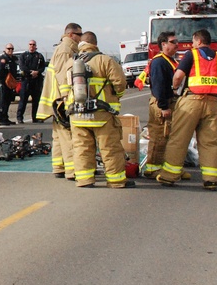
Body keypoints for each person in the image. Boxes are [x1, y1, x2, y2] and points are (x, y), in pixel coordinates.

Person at [156, 29, 217, 190]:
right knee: (210, 142)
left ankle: (169, 176)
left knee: (179, 138)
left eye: (193, 42)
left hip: (192, 101)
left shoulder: (192, 55)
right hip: (214, 104)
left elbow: (178, 76)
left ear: (198, 41)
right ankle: (211, 178)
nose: (192, 44)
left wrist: (175, 89)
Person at [62, 31, 131, 188]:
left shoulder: (70, 63)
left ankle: (85, 180)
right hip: (101, 114)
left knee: (81, 149)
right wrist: (114, 97)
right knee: (110, 148)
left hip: (77, 115)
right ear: (95, 44)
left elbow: (64, 89)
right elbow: (120, 84)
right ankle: (116, 181)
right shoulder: (105, 60)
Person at [140, 31, 189, 180]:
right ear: (163, 44)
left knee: (170, 138)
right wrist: (163, 107)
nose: (177, 45)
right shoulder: (159, 61)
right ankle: (152, 169)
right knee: (159, 137)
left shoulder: (171, 61)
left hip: (171, 103)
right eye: (173, 42)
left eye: (177, 42)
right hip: (162, 104)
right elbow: (160, 86)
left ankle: (169, 168)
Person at [36, 23, 82, 179]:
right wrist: (67, 99)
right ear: (70, 34)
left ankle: (58, 167)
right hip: (61, 101)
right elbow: (64, 76)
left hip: (56, 100)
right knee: (68, 136)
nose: (80, 38)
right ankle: (72, 170)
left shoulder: (64, 48)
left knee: (58, 136)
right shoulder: (65, 50)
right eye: (79, 34)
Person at [17, 40, 47, 124]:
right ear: (28, 45)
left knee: (36, 101)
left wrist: (37, 72)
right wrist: (31, 72)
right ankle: (19, 118)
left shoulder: (39, 56)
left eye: (33, 45)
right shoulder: (23, 55)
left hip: (36, 81)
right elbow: (22, 66)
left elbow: (42, 67)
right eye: (30, 44)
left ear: (36, 46)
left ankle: (35, 117)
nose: (32, 46)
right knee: (23, 100)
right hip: (26, 81)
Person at [0, 43, 20, 125]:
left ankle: (5, 117)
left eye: (12, 49)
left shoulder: (13, 59)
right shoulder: (2, 59)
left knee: (8, 101)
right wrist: (2, 82)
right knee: (2, 101)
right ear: (5, 49)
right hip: (3, 83)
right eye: (8, 49)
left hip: (10, 84)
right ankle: (0, 118)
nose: (10, 50)